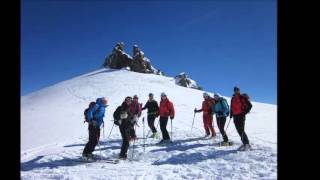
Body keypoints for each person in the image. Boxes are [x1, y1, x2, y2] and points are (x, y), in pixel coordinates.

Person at [230, 86, 252, 151]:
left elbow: (250, 105)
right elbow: (232, 107)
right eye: (235, 90)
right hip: (235, 116)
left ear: (239, 91)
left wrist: (244, 113)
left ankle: (247, 144)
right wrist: (231, 114)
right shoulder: (233, 98)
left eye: (237, 90)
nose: (236, 91)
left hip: (241, 115)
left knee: (241, 130)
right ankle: (244, 143)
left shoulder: (242, 97)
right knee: (238, 130)